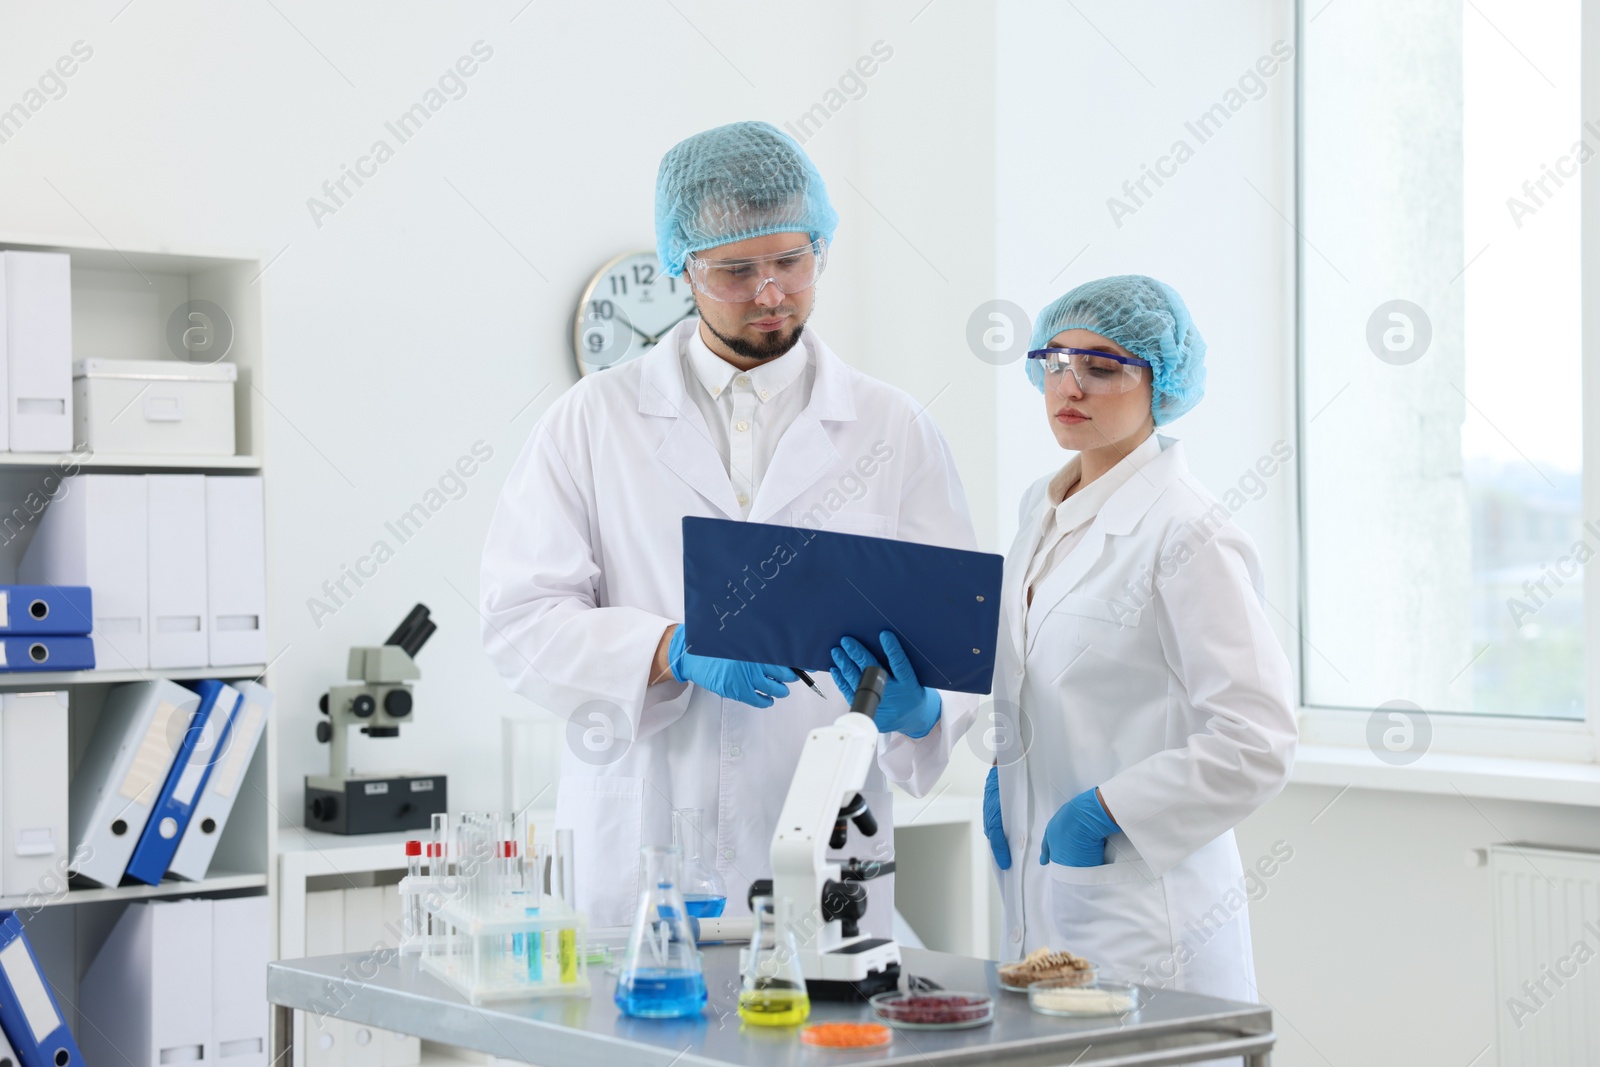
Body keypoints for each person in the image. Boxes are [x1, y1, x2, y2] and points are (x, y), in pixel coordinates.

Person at [481, 121, 977, 928]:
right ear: (682, 266)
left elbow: (950, 633)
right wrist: (668, 649)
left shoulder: (893, 429)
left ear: (822, 247)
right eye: (736, 270)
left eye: (791, 261)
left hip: (821, 844)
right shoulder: (593, 420)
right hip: (641, 844)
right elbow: (517, 619)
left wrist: (925, 712)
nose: (771, 292)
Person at [981, 275, 1296, 1008]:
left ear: (1163, 382)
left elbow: (1259, 738)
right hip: (1045, 896)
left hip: (1146, 913)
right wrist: (1009, 778)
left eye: (1102, 366)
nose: (1071, 384)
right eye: (1056, 361)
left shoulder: (1189, 531)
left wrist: (1104, 813)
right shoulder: (1043, 509)